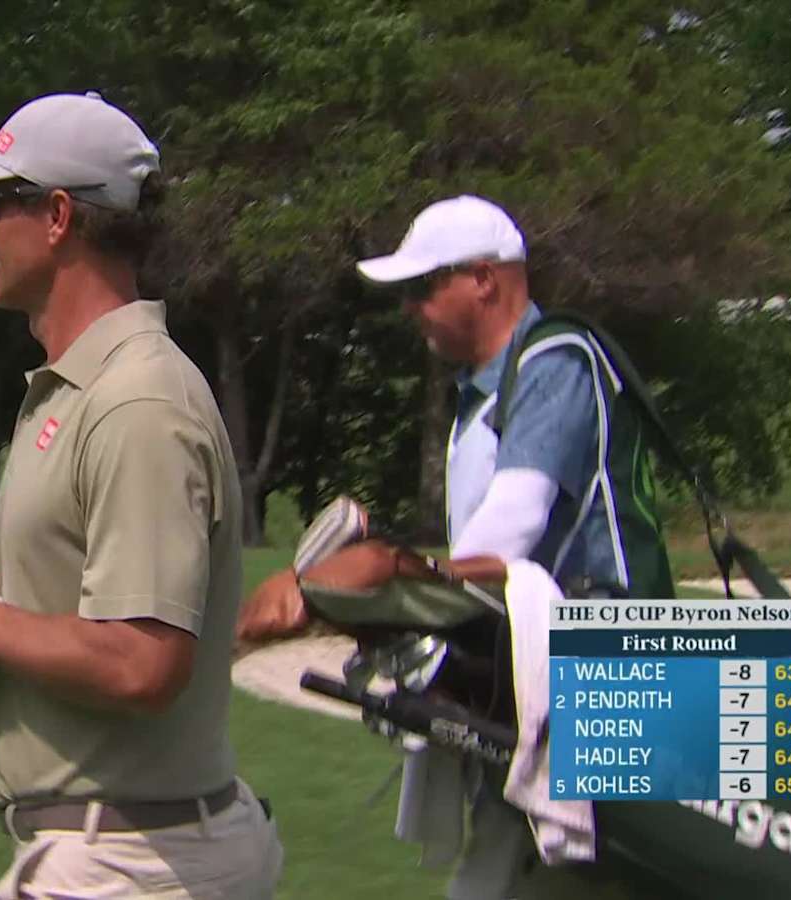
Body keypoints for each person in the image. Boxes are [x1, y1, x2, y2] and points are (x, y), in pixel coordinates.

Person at [0, 91, 283, 899]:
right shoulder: (68, 391)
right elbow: (31, 576)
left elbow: (144, 662)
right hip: (103, 854)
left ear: (56, 216)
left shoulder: (139, 403)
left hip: (135, 862)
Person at [238, 195, 671, 898]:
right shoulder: (483, 397)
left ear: (485, 280)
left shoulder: (556, 356)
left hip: (622, 680)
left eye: (423, 286)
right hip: (544, 689)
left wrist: (374, 576)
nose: (411, 307)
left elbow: (509, 534)